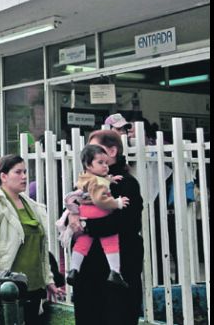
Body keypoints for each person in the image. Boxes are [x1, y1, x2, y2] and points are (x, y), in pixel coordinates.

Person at [0, 154, 63, 324]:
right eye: (18, 172)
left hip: (35, 287)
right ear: (3, 176)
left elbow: (41, 250)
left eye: (25, 172)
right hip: (9, 288)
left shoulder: (31, 205)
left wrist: (48, 280)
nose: (24, 177)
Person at [68, 130, 143, 325]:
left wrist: (85, 226)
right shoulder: (86, 183)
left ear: (112, 151)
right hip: (88, 275)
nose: (91, 154)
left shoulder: (126, 184)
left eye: (97, 149)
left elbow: (125, 223)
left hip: (116, 277)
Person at [65, 144, 129, 288]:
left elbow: (98, 182)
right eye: (100, 163)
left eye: (106, 162)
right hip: (98, 213)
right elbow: (100, 200)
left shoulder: (85, 177)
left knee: (82, 244)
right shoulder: (96, 181)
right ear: (88, 165)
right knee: (111, 241)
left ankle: (74, 269)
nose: (105, 166)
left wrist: (110, 179)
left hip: (84, 213)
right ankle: (115, 272)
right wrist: (117, 203)